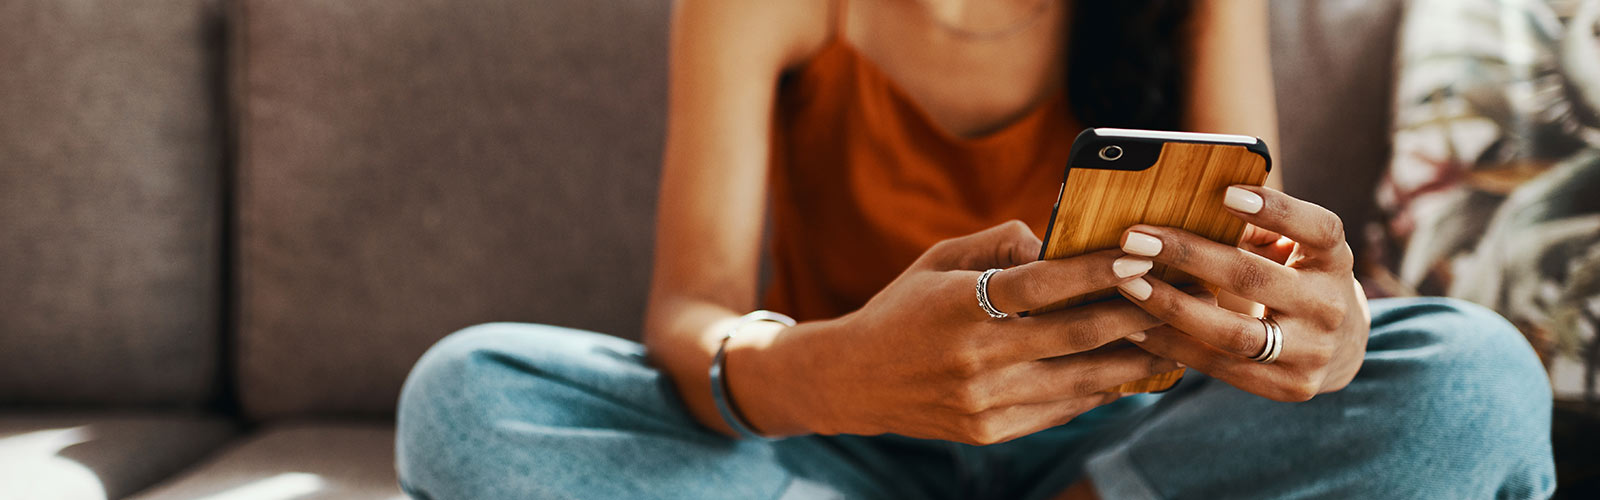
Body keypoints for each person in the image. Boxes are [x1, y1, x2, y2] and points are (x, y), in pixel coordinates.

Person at [394, 1, 1557, 498]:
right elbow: (693, 310)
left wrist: (1310, 331)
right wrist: (838, 368)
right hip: (841, 438)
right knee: (467, 394)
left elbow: (1245, 268)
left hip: (1128, 450)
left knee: (1476, 374)